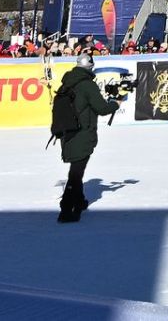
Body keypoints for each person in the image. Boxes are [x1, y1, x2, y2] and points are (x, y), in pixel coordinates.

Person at [50, 53, 119, 223]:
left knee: (76, 167)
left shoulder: (68, 82)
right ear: (90, 67)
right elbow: (102, 108)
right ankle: (66, 209)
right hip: (81, 133)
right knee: (76, 172)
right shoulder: (88, 85)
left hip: (68, 131)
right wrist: (115, 104)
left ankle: (79, 202)